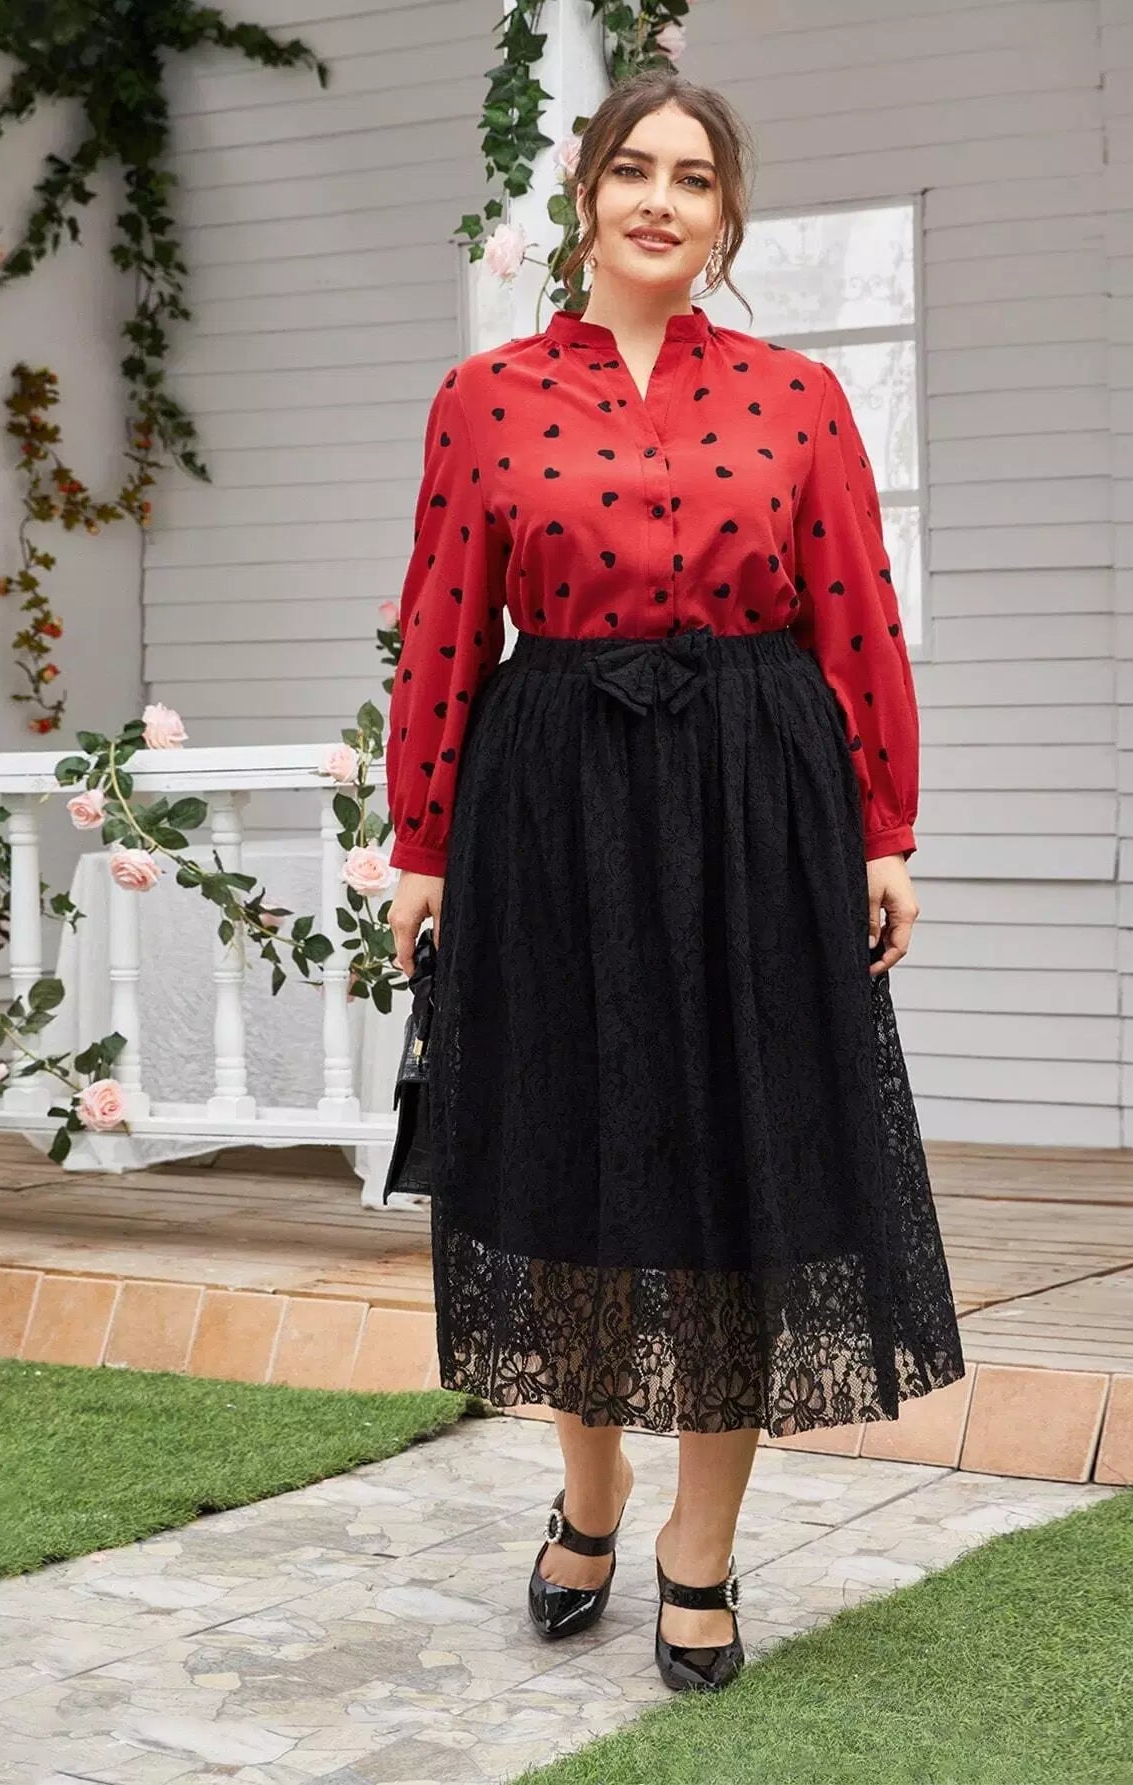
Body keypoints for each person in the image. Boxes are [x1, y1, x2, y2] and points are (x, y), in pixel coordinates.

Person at [385, 69, 965, 1694]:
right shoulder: (484, 397)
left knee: (739, 1176)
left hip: (755, 802)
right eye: (633, 169)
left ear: (726, 217)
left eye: (694, 179)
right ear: (585, 194)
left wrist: (884, 827)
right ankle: (592, 1490)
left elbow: (855, 611)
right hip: (551, 804)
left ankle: (700, 1549)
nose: (660, 199)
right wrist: (421, 840)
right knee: (568, 1159)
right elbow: (443, 618)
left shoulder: (798, 397)